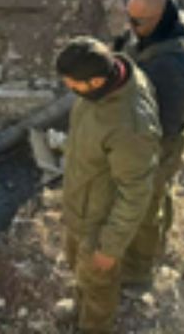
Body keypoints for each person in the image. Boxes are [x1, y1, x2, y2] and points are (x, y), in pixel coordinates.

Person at [56, 36, 160, 334]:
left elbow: (136, 192)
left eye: (73, 84)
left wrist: (110, 247)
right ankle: (79, 308)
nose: (69, 89)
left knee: (99, 283)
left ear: (97, 80)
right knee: (80, 270)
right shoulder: (104, 86)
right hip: (82, 204)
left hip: (98, 222)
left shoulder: (129, 126)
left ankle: (94, 326)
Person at [116, 0, 184, 288]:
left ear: (160, 18)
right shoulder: (169, 26)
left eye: (138, 23)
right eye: (129, 19)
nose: (131, 28)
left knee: (143, 207)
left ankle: (139, 273)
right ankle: (157, 245)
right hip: (168, 135)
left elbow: (161, 124)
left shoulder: (173, 65)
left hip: (160, 142)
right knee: (158, 196)